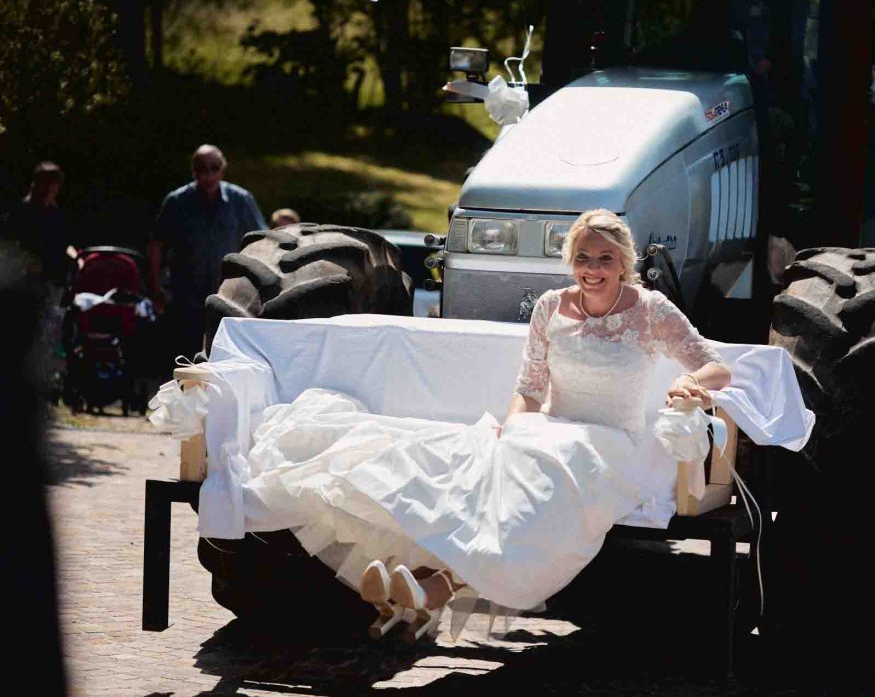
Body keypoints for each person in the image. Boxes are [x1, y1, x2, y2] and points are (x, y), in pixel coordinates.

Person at [242, 209, 731, 639]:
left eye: (604, 259)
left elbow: (715, 366)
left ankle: (436, 585)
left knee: (547, 474)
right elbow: (530, 388)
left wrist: (689, 384)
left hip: (613, 442)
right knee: (473, 465)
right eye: (583, 258)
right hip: (549, 430)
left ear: (623, 262)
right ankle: (429, 582)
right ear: (570, 260)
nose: (592, 269)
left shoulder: (650, 311)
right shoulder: (551, 307)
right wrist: (511, 428)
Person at [148, 145, 266, 358]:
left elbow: (262, 241)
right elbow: (157, 243)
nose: (209, 174)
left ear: (223, 169)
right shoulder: (177, 201)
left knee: (225, 355)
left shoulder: (241, 200)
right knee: (186, 358)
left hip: (230, 294)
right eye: (202, 168)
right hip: (186, 294)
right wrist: (155, 286)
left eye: (215, 168)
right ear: (194, 171)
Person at [2, 161, 75, 288]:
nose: (49, 190)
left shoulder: (55, 212)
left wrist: (77, 257)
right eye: (45, 184)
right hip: (23, 284)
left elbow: (63, 242)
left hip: (52, 282)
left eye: (53, 186)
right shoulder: (18, 213)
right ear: (35, 184)